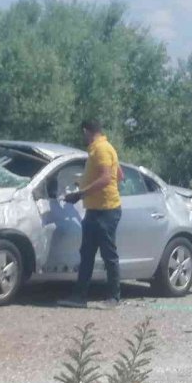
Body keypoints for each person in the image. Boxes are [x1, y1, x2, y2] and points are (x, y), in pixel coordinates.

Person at [58, 120, 122, 309]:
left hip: (106, 211)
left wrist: (80, 194)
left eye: (83, 134)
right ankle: (79, 297)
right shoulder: (104, 148)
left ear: (86, 131)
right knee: (86, 254)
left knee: (109, 255)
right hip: (95, 210)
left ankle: (114, 298)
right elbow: (119, 175)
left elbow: (106, 178)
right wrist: (85, 184)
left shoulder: (101, 149)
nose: (82, 138)